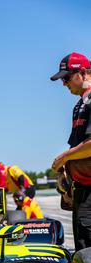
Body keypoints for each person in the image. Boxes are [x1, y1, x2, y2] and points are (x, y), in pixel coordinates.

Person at [51, 52, 91, 251]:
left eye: (67, 77)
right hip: (81, 190)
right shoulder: (79, 105)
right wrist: (66, 175)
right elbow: (77, 146)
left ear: (82, 72)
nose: (64, 83)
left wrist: (63, 158)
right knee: (82, 252)